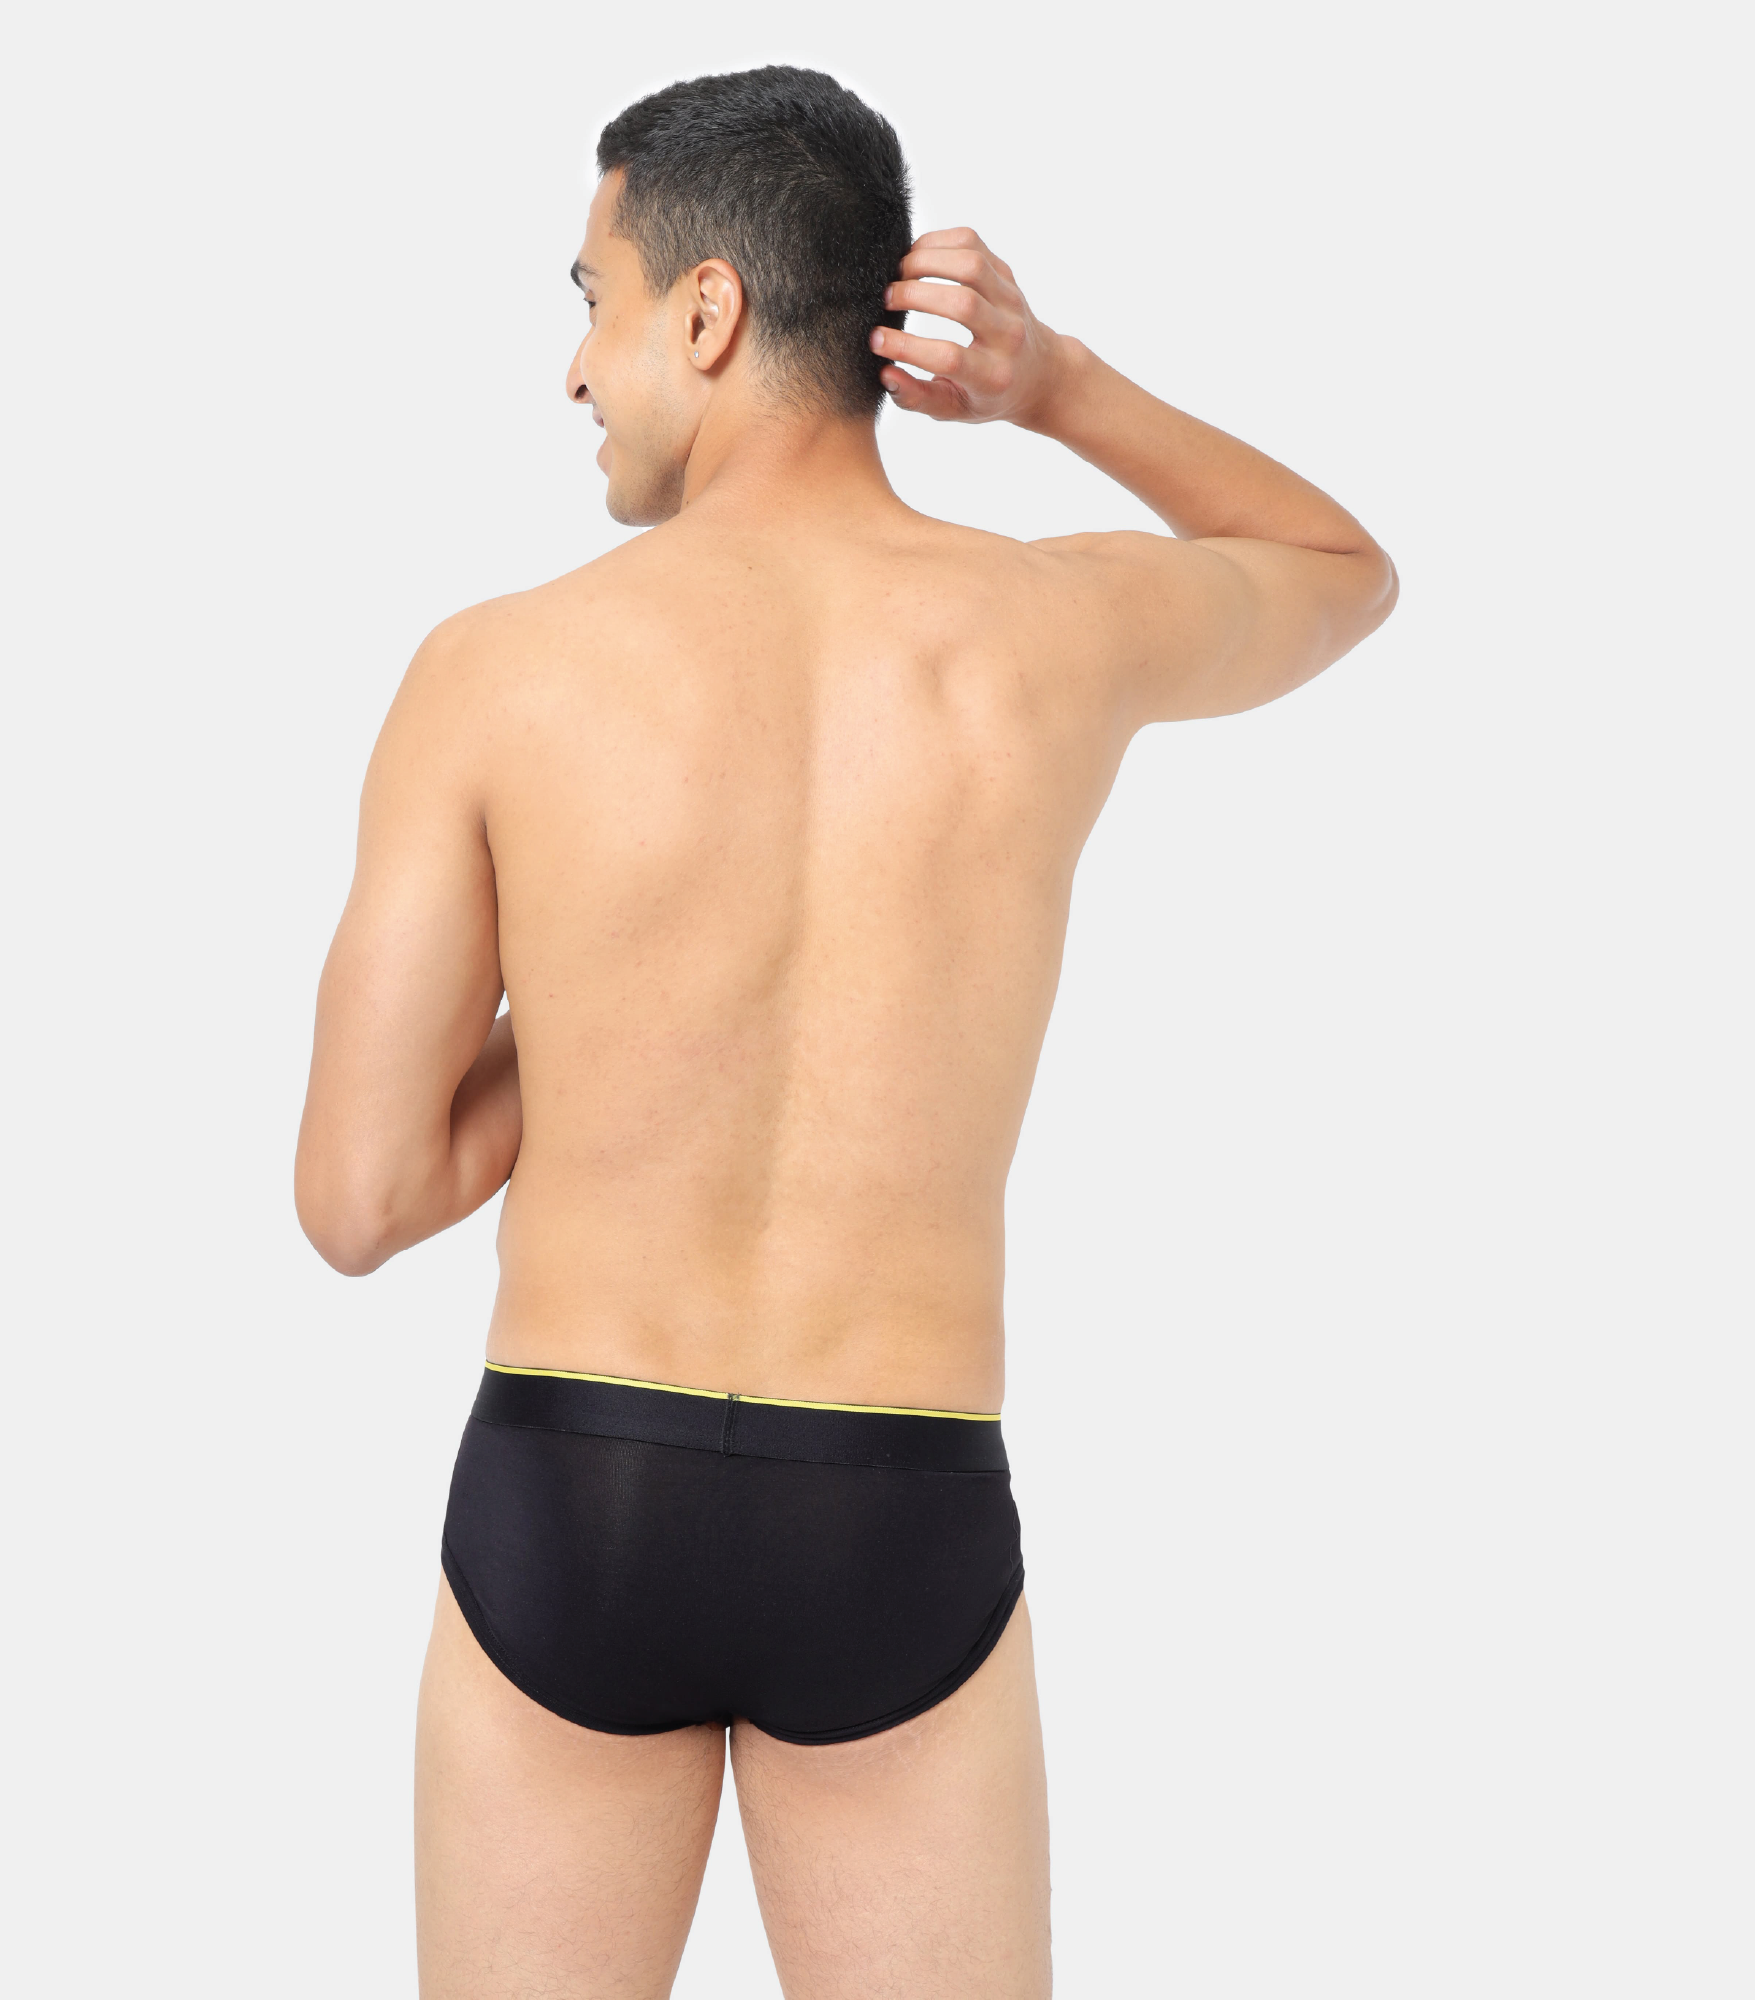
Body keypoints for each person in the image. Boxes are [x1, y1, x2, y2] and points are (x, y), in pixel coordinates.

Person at [295, 63, 1396, 2000]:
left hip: (578, 1491)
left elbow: (360, 1197)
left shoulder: (497, 672)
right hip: (901, 1504)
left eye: (592, 300)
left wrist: (612, 1002)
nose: (575, 368)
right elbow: (1339, 572)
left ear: (706, 311)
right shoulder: (1048, 632)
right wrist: (1057, 387)